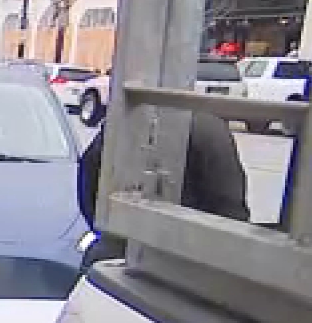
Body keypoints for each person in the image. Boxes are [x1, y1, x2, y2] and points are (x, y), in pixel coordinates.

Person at [76, 110, 251, 265]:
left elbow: (89, 190)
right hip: (190, 258)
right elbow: (231, 211)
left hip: (123, 249)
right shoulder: (208, 128)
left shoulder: (126, 117)